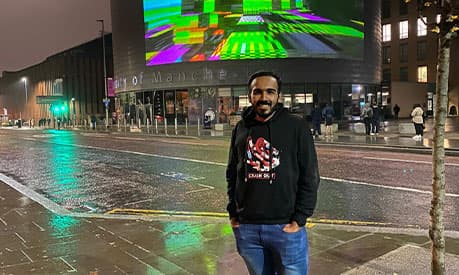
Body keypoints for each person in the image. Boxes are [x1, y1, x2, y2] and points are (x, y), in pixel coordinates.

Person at [226, 71, 320, 275]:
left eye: (270, 92)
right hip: (248, 228)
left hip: (285, 228)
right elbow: (232, 172)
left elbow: (310, 176)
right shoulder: (241, 128)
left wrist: (299, 219)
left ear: (278, 96)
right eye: (257, 92)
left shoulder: (297, 127)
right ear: (250, 96)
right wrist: (234, 214)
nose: (264, 97)